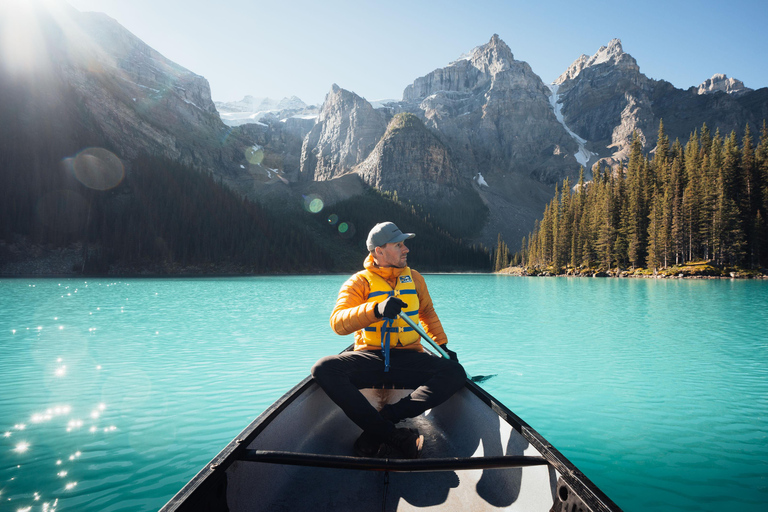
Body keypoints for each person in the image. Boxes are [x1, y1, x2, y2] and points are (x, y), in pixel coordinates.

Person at [311, 221, 466, 459]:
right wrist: (376, 309)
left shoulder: (414, 279)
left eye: (405, 244)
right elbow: (338, 322)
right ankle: (393, 435)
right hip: (372, 357)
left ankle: (385, 421)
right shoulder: (358, 282)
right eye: (399, 244)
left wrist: (442, 345)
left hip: (410, 358)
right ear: (378, 251)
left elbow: (427, 314)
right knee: (324, 369)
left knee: (455, 372)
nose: (406, 249)